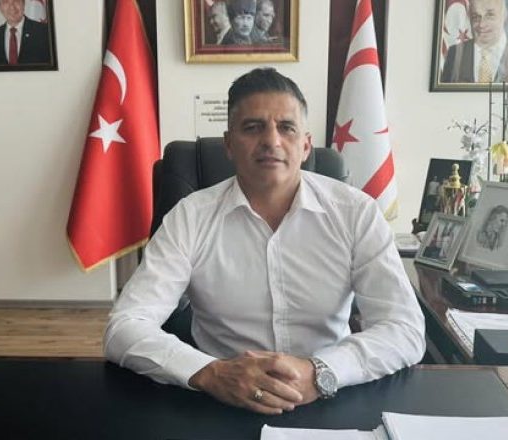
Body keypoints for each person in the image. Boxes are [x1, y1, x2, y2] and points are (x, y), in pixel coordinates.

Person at [105, 68, 425, 415]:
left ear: (305, 145)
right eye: (253, 127)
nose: (271, 140)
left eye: (286, 127)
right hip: (220, 399)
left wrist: (320, 371)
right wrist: (212, 373)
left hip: (331, 394)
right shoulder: (190, 217)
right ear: (229, 144)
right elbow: (125, 326)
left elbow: (404, 328)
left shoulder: (356, 212)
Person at [440, 0, 508, 83]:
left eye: (489, 15)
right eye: (476, 17)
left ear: (504, 15)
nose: (481, 24)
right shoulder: (454, 53)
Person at [0, 0, 51, 66]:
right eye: (6, 2)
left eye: (16, 1)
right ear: (0, 7)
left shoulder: (44, 32)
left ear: (23, 4)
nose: (12, 7)